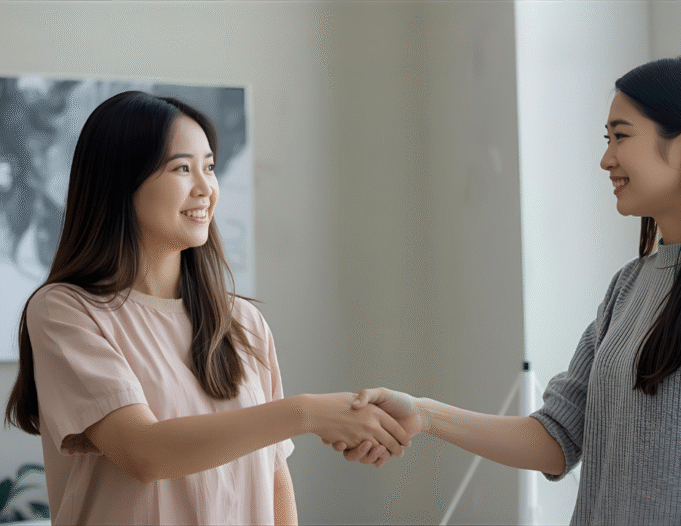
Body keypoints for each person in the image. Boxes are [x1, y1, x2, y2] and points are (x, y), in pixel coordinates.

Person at [328, 55, 681, 524]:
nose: (606, 158)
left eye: (621, 136)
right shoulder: (629, 285)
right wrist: (425, 414)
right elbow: (556, 439)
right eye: (608, 139)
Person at [4, 91, 410, 526]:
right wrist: (306, 412)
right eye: (183, 168)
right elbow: (145, 453)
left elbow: (273, 477)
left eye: (210, 167)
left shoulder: (243, 323)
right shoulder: (65, 311)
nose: (206, 188)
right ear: (122, 180)